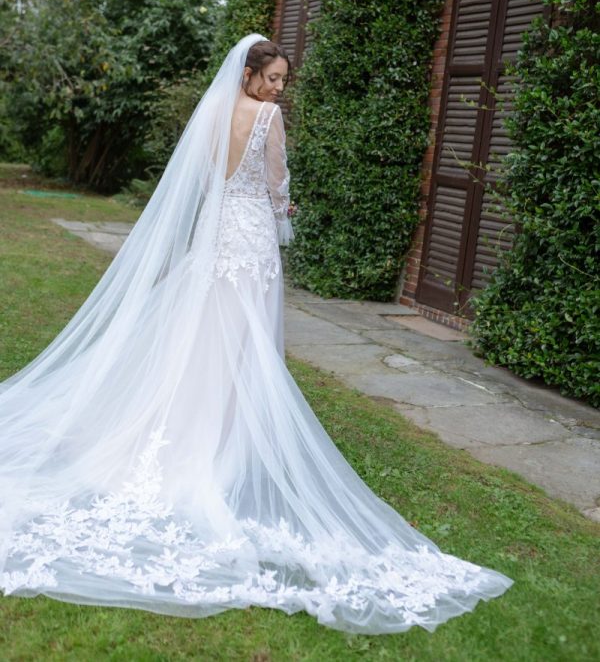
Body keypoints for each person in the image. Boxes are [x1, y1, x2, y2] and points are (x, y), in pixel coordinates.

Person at [0, 34, 513, 634]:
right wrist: (283, 211)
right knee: (240, 342)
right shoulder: (267, 119)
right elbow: (276, 184)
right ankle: (218, 445)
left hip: (216, 233)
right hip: (249, 239)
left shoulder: (213, 112)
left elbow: (200, 182)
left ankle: (188, 433)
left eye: (283, 81)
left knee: (200, 336)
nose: (278, 89)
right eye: (272, 78)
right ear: (248, 73)